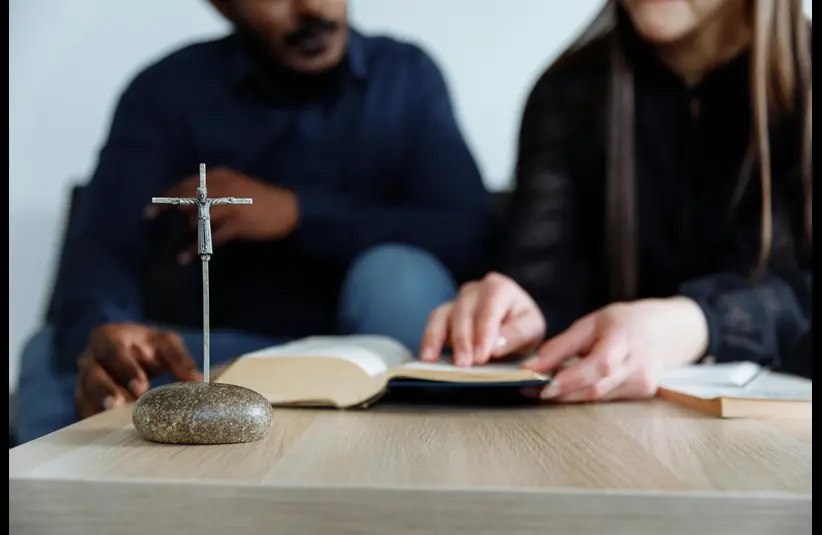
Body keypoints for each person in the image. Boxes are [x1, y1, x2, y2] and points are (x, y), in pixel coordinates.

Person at [15, 0, 490, 443]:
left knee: (397, 273)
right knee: (57, 349)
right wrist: (105, 333)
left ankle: (435, 460)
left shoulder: (405, 76)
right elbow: (103, 247)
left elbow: (466, 232)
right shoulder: (168, 92)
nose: (311, 9)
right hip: (227, 357)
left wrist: (298, 213)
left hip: (377, 348)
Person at [421, 0, 812, 402]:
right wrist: (517, 314)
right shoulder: (566, 94)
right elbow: (545, 280)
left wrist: (697, 323)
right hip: (603, 434)